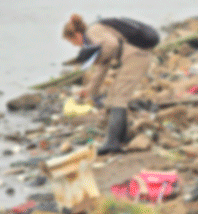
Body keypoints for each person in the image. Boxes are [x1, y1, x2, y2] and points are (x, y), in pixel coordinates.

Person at [62, 13, 153, 155]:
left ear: (77, 35)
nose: (75, 45)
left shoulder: (93, 32)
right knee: (113, 97)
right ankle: (122, 137)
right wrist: (90, 90)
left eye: (72, 42)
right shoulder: (94, 37)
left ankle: (112, 143)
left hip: (136, 57)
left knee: (119, 98)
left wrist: (96, 59)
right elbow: (103, 67)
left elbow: (112, 45)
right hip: (134, 57)